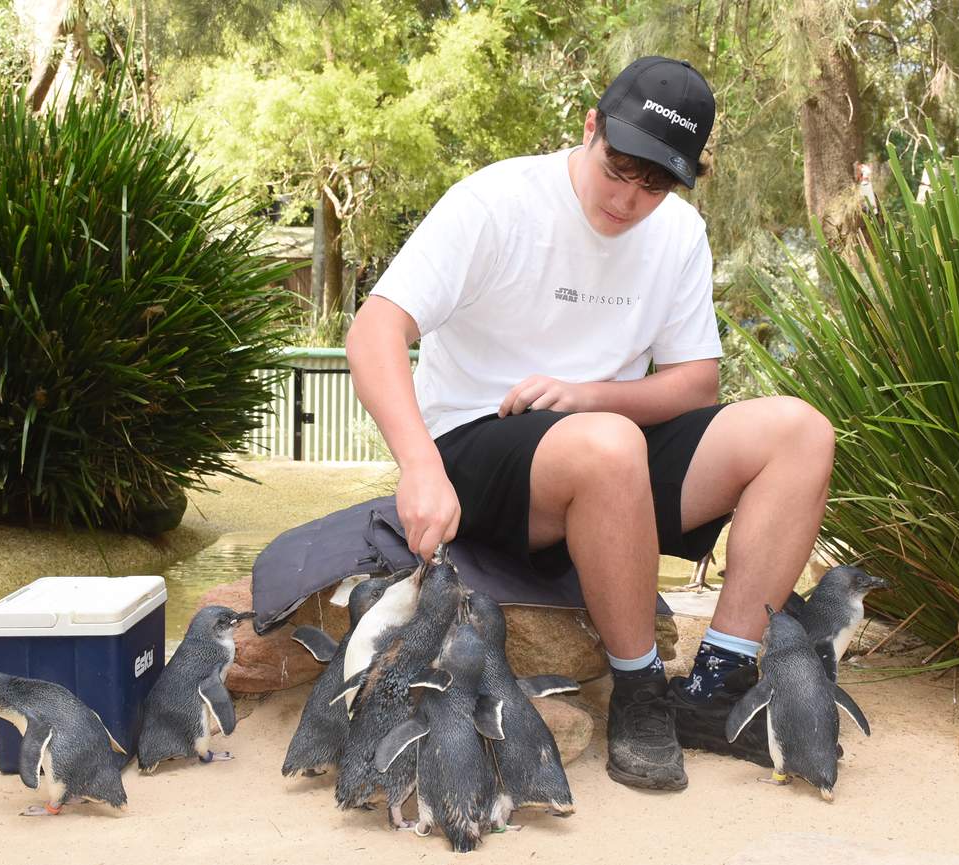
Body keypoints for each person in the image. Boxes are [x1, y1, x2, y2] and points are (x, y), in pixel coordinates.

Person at [345, 56, 835, 791]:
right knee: (607, 445)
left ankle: (713, 687)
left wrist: (588, 393)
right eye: (618, 168)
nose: (629, 198)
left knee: (800, 430)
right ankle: (639, 690)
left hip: (602, 437)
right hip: (476, 441)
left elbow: (696, 382)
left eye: (655, 182)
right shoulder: (496, 201)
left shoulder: (676, 232)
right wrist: (418, 466)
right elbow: (374, 330)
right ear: (590, 128)